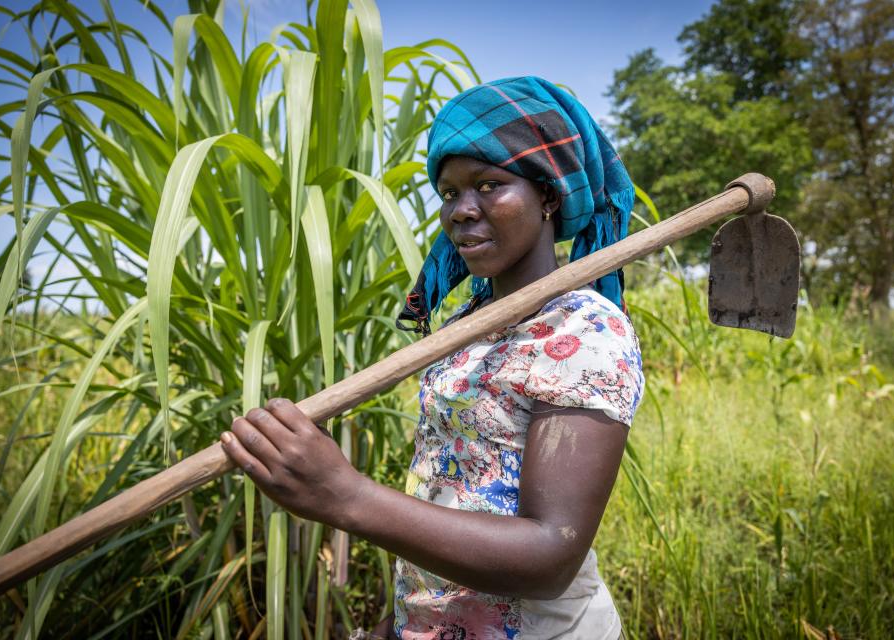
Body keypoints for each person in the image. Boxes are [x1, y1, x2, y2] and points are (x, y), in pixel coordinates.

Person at [219, 76, 646, 640]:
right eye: (449, 193)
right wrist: (398, 625)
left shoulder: (583, 329)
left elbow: (550, 557)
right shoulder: (467, 323)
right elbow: (450, 489)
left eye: (490, 184)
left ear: (548, 196)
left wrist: (346, 496)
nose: (462, 211)